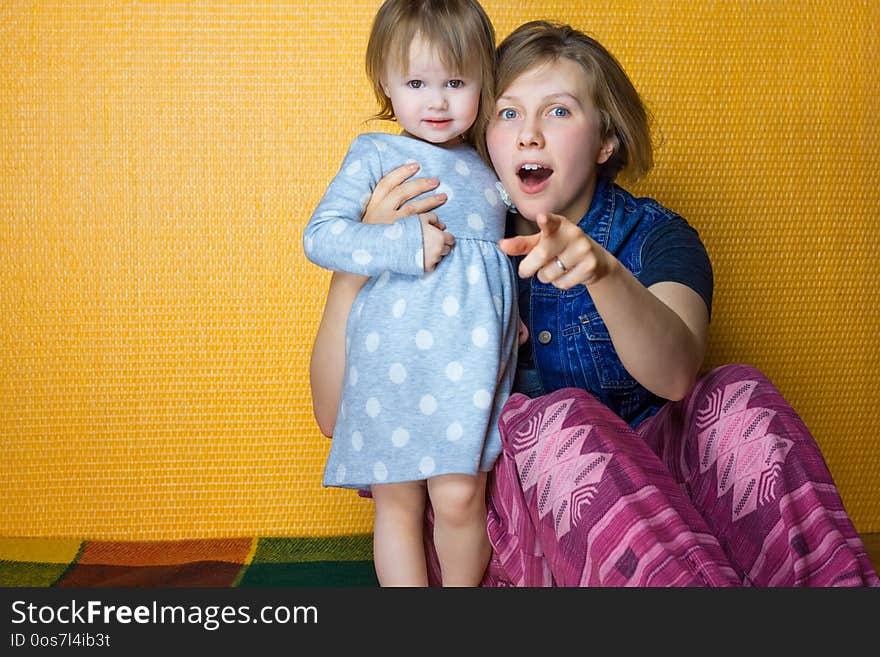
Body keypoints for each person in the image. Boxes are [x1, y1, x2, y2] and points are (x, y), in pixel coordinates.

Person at [310, 19, 880, 586]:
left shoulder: (654, 235)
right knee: (563, 421)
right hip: (515, 518)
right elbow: (336, 416)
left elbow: (677, 373)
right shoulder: (457, 250)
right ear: (485, 135)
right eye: (508, 113)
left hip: (661, 489)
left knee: (738, 391)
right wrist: (362, 257)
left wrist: (603, 272)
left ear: (606, 138)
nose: (529, 134)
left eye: (558, 111)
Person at [302, 0, 520, 587]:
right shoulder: (378, 154)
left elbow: (508, 254)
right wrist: (401, 244)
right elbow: (320, 236)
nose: (438, 101)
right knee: (397, 502)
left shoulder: (491, 163)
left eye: (456, 81)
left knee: (458, 496)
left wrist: (516, 313)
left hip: (468, 363)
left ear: (483, 82)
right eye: (417, 82)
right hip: (389, 361)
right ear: (386, 85)